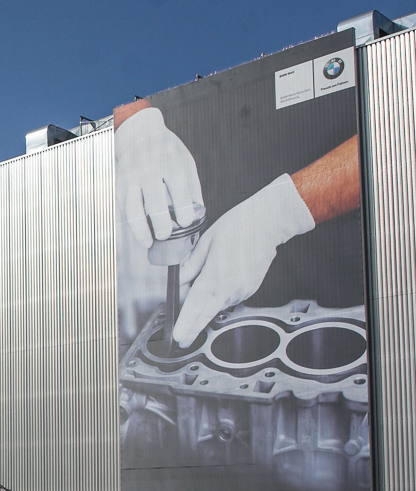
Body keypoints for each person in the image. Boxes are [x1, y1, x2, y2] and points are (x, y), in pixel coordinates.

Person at [114, 98, 362, 347]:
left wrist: (279, 214)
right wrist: (136, 125)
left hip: (334, 265)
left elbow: (391, 135)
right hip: (217, 236)